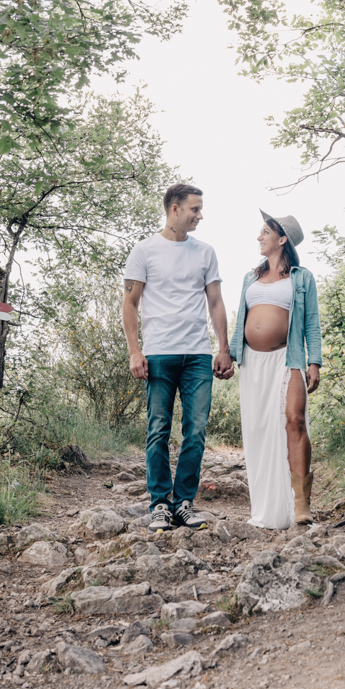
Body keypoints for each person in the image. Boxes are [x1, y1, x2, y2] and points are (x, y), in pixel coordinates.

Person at [122, 183, 233, 533]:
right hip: (158, 354)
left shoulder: (205, 252)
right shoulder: (144, 251)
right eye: (194, 209)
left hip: (198, 354)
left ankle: (183, 502)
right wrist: (135, 351)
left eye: (200, 209)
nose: (200, 215)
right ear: (174, 209)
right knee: (157, 430)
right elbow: (130, 303)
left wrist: (223, 347)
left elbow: (215, 302)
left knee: (196, 430)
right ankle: (159, 504)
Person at [229, 211, 321, 529]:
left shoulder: (302, 277)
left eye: (265, 232)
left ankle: (301, 505)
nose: (259, 236)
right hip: (252, 364)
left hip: (287, 357)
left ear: (282, 239)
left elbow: (311, 323)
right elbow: (240, 319)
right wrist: (228, 354)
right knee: (258, 431)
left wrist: (315, 362)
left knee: (294, 420)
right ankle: (270, 505)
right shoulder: (249, 278)